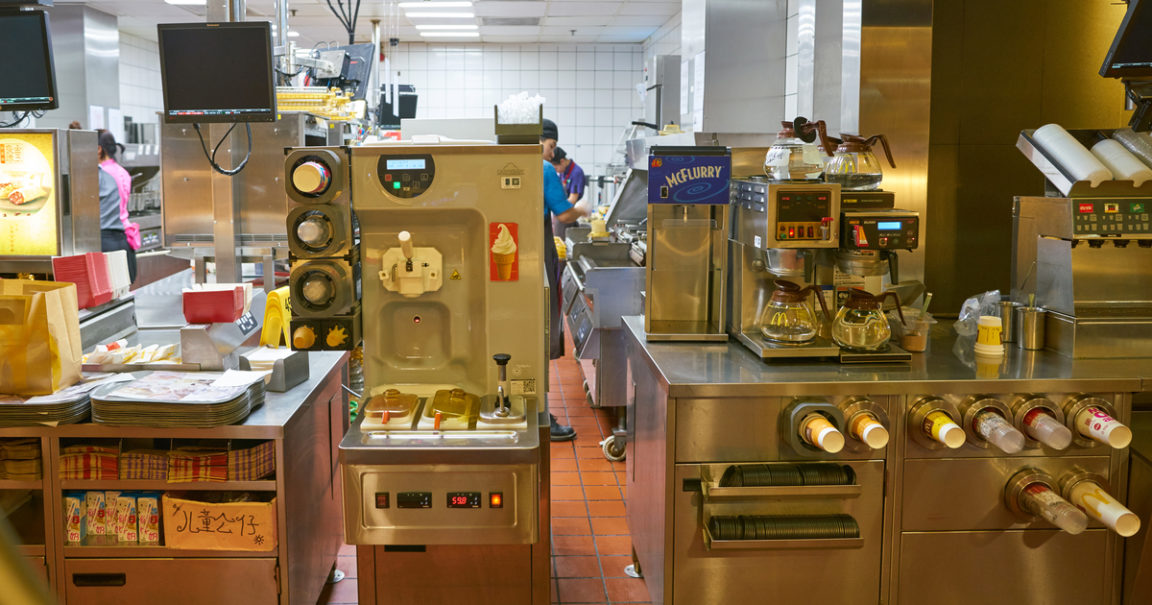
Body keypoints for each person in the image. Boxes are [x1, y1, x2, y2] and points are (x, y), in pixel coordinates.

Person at [541, 119, 591, 441]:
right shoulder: (544, 169)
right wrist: (584, 210)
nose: (551, 151)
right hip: (539, 266)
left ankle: (533, 412)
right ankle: (541, 418)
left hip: (514, 262)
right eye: (549, 144)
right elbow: (562, 213)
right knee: (540, 335)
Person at [97, 131, 140, 283]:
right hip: (124, 237)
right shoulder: (123, 172)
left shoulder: (101, 173)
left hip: (105, 236)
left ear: (99, 149)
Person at [549, 146, 586, 241]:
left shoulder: (576, 172)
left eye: (556, 167)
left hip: (568, 214)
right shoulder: (563, 171)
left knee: (564, 242)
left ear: (562, 161)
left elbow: (572, 199)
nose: (556, 170)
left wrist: (558, 207)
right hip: (560, 213)